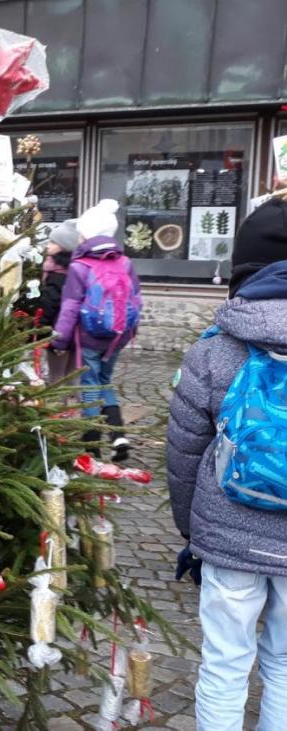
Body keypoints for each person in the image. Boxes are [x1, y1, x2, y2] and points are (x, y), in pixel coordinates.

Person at [167, 196, 287, 730]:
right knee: (285, 664)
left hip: (229, 534)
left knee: (224, 662)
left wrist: (192, 530)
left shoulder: (215, 349)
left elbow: (185, 451)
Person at [51, 200, 141, 462]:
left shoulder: (80, 266)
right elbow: (136, 298)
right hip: (118, 334)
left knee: (90, 384)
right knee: (105, 380)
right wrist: (129, 330)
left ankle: (91, 445)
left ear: (86, 235)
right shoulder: (124, 263)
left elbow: (69, 307)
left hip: (89, 336)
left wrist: (59, 340)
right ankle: (118, 434)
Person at [40, 219, 77, 384]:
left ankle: (58, 408)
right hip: (76, 331)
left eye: (53, 242)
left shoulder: (57, 274)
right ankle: (72, 407)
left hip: (58, 330)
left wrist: (40, 325)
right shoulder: (75, 271)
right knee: (71, 375)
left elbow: (50, 303)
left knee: (56, 377)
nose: (48, 245)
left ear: (65, 247)